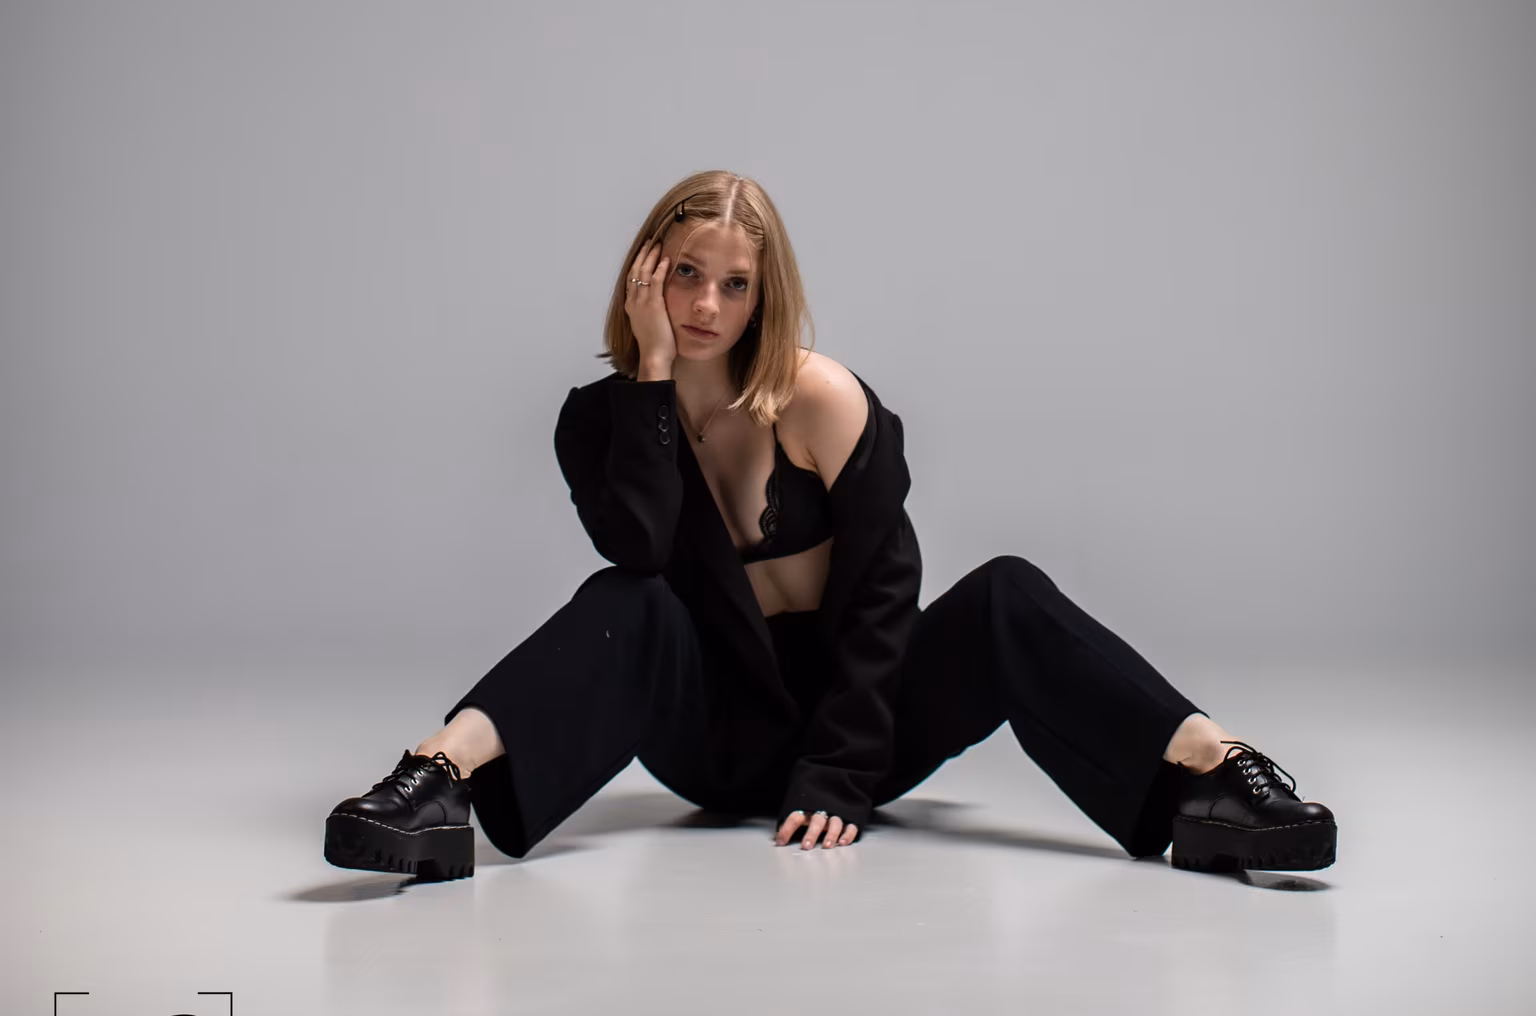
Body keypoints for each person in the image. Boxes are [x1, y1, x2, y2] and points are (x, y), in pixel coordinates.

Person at [323, 170, 1336, 882]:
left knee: (1006, 592)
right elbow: (636, 545)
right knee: (622, 599)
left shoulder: (819, 397)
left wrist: (844, 768)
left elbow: (888, 588)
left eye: (733, 282)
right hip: (713, 737)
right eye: (684, 273)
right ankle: (437, 777)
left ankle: (1215, 775)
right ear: (646, 274)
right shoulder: (603, 418)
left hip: (866, 725)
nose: (706, 303)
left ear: (767, 294)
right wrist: (649, 383)